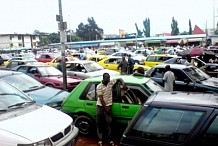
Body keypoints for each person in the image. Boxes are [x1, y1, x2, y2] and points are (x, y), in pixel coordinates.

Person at [96, 73, 127, 146]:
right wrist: (105, 107)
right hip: (100, 106)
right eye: (108, 78)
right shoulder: (99, 86)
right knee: (99, 123)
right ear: (104, 78)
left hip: (108, 106)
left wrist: (124, 84)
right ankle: (100, 140)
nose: (109, 79)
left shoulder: (110, 83)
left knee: (109, 123)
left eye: (109, 78)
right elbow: (101, 98)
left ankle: (109, 140)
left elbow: (119, 79)